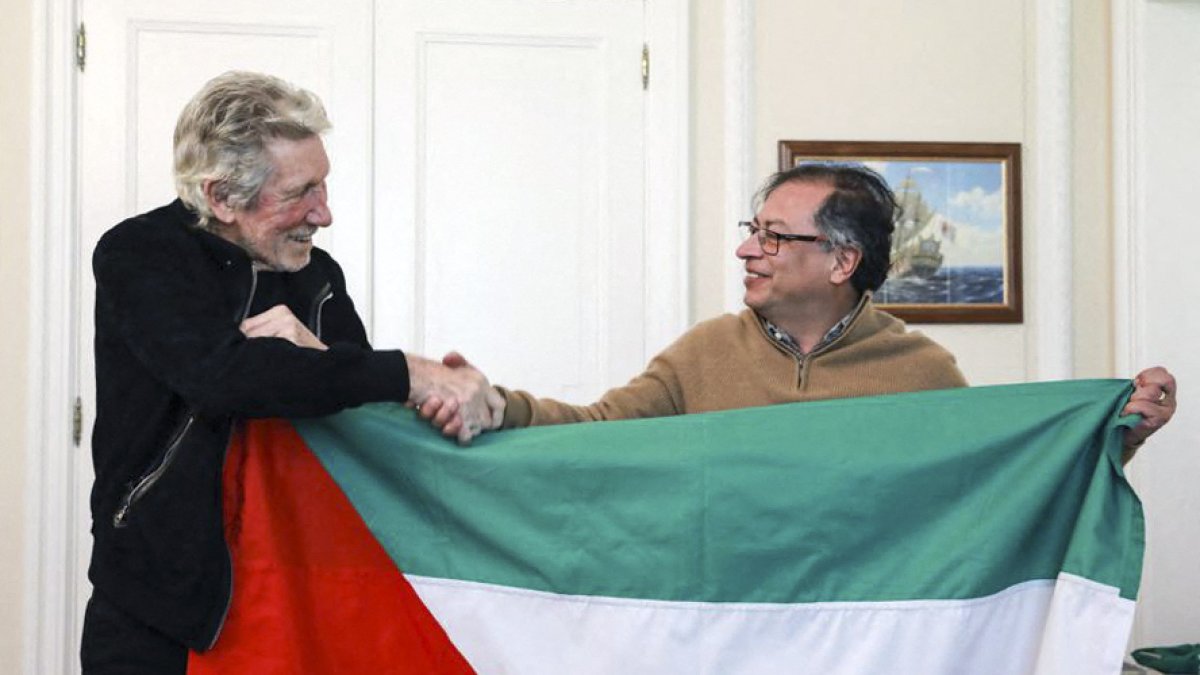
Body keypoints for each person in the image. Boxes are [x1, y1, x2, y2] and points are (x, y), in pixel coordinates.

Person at [82, 71, 501, 673]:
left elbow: (355, 400)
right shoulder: (140, 253)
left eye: (323, 185)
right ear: (222, 196)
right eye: (300, 192)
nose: (323, 213)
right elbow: (222, 377)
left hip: (294, 594)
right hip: (160, 607)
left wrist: (325, 357)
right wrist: (413, 372)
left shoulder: (318, 274)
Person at [422, 162, 1176, 453]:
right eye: (753, 233)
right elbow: (593, 432)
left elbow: (998, 480)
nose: (749, 251)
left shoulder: (922, 371)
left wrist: (1119, 432)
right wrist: (499, 406)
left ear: (842, 260)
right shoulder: (703, 351)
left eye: (774, 237)